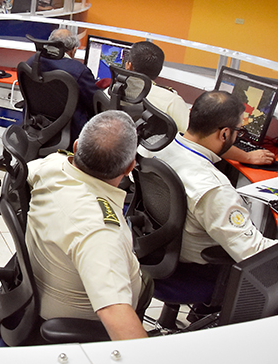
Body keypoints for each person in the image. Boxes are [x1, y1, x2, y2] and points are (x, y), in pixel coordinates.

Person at [25, 110, 150, 341]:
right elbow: (116, 315)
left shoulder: (52, 165)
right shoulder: (99, 230)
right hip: (81, 331)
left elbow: (22, 174)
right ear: (129, 167)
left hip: (36, 298)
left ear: (74, 147)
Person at [149, 91, 278, 295]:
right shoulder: (214, 188)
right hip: (195, 272)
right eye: (238, 132)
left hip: (152, 254)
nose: (237, 137)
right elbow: (255, 254)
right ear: (225, 134)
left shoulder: (155, 146)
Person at [127, 41, 274, 165]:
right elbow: (199, 137)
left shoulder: (112, 88)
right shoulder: (170, 100)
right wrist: (248, 157)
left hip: (130, 159)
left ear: (128, 66)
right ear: (159, 70)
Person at [26, 28, 99, 146]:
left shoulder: (32, 61)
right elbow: (95, 104)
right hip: (69, 134)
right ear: (73, 50)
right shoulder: (79, 71)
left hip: (36, 127)